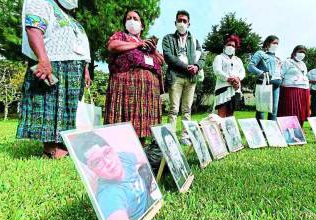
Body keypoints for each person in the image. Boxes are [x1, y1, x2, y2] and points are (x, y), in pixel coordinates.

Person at [17, 0, 91, 159]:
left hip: (73, 68)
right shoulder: (41, 2)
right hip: (53, 63)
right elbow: (33, 29)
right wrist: (43, 59)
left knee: (68, 109)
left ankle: (64, 145)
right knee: (51, 106)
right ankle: (51, 149)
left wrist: (85, 69)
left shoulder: (69, 16)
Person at [104, 10, 164, 146]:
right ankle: (122, 147)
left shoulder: (147, 43)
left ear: (142, 26)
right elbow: (112, 46)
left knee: (142, 121)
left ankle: (140, 146)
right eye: (128, 18)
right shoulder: (121, 36)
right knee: (126, 119)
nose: (131, 21)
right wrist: (137, 44)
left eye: (135, 19)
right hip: (126, 85)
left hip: (147, 90)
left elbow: (161, 61)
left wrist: (153, 50)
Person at [72, 132, 156, 220]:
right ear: (92, 170)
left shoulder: (121, 156)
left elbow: (143, 158)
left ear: (112, 150)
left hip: (145, 191)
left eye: (107, 152)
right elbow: (114, 213)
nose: (108, 162)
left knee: (146, 167)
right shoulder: (109, 196)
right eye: (97, 162)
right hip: (145, 215)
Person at [162, 10, 206, 144]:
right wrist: (186, 66)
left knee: (187, 110)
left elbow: (202, 57)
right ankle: (170, 137)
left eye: (184, 21)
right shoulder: (168, 38)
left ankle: (185, 137)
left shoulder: (195, 41)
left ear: (189, 24)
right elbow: (169, 57)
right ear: (175, 23)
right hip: (175, 77)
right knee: (174, 109)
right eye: (179, 20)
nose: (182, 23)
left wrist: (197, 66)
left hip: (191, 79)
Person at [248, 35, 282, 121]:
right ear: (268, 43)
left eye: (277, 43)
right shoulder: (260, 53)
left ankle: (272, 131)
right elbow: (250, 66)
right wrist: (261, 73)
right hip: (264, 84)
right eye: (274, 43)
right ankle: (261, 130)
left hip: (276, 86)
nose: (276, 45)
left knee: (274, 110)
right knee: (262, 109)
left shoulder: (277, 58)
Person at [213, 35, 245, 117]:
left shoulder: (238, 60)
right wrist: (228, 78)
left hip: (235, 89)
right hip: (223, 88)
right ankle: (220, 129)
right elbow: (217, 70)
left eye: (233, 46)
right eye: (229, 45)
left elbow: (242, 72)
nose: (231, 47)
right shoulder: (219, 57)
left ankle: (229, 129)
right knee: (221, 114)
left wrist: (238, 79)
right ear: (225, 46)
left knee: (230, 114)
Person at [278, 45, 310, 126]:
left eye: (303, 52)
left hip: (304, 88)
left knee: (302, 110)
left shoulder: (303, 64)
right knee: (291, 109)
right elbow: (281, 74)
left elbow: (304, 75)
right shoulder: (287, 62)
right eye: (300, 51)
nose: (302, 54)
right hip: (290, 88)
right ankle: (289, 128)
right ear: (294, 52)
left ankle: (300, 127)